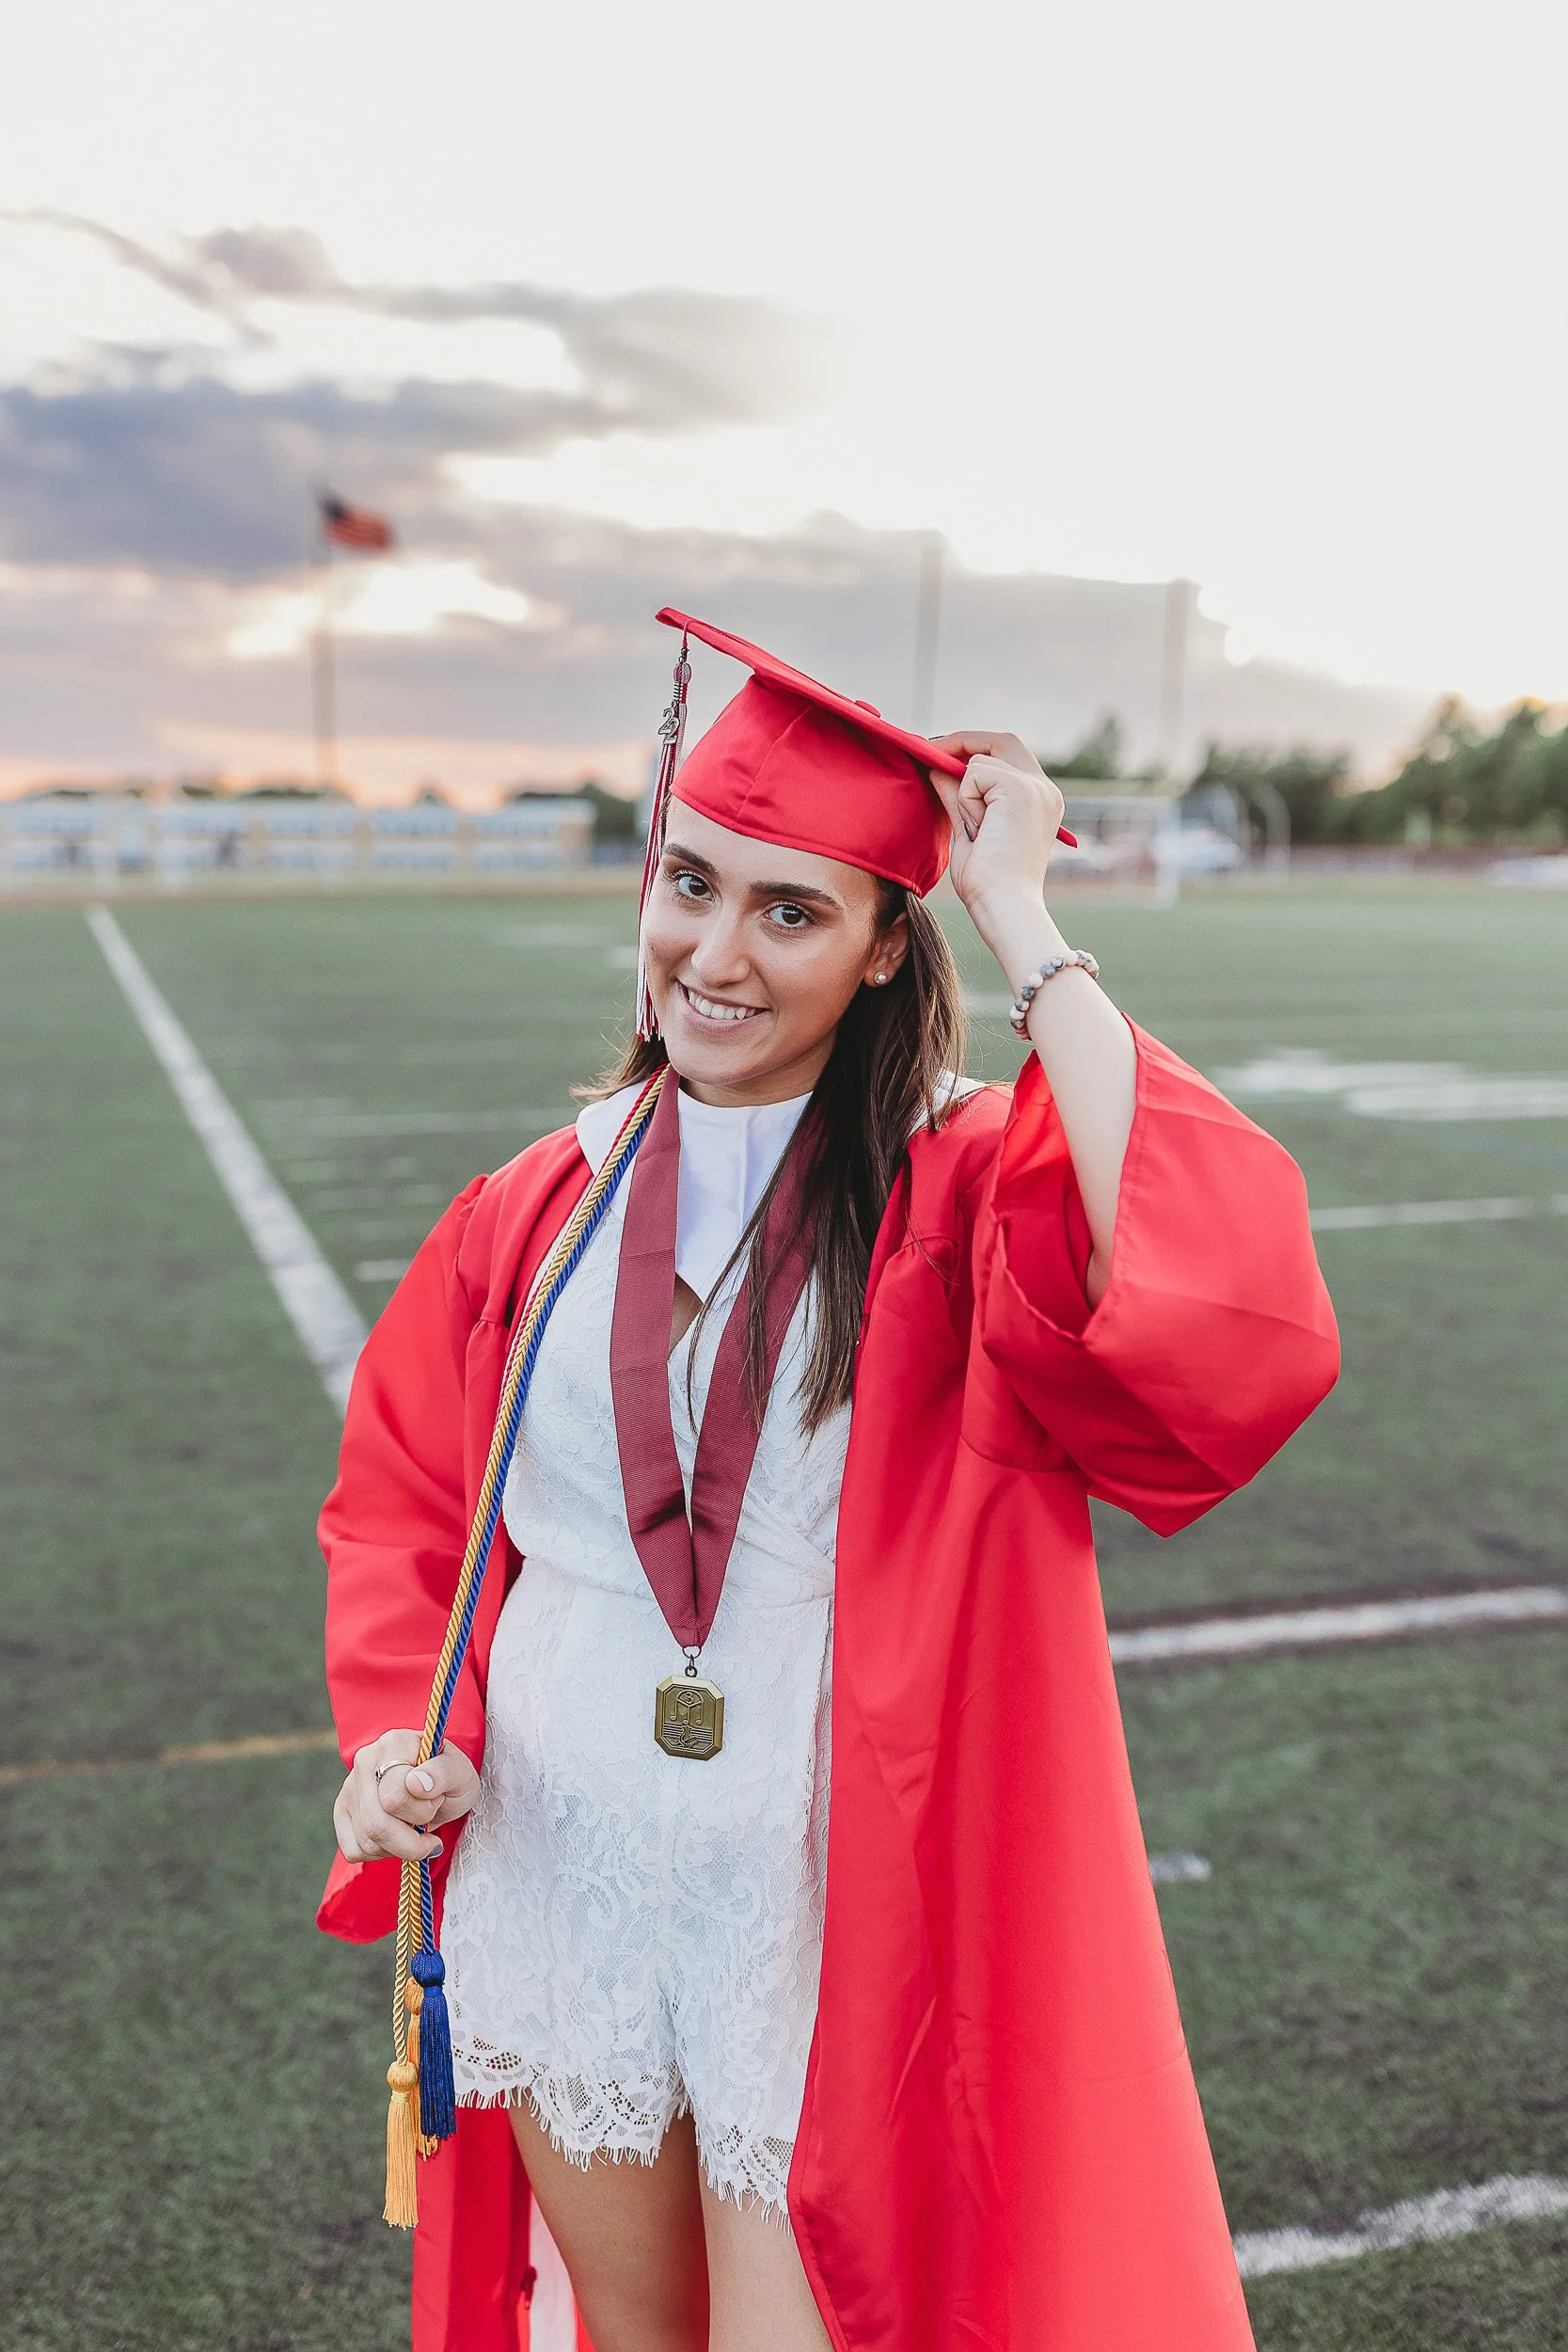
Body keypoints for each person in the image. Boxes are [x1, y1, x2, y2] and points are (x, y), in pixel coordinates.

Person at [319, 611, 1339, 2352]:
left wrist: (1018, 913)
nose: (714, 953)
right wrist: (392, 1745)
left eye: (791, 908)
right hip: (561, 1855)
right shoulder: (530, 1210)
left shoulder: (951, 1191)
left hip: (827, 1887)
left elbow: (1219, 1300)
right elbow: (411, 1506)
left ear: (883, 946)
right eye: (690, 884)